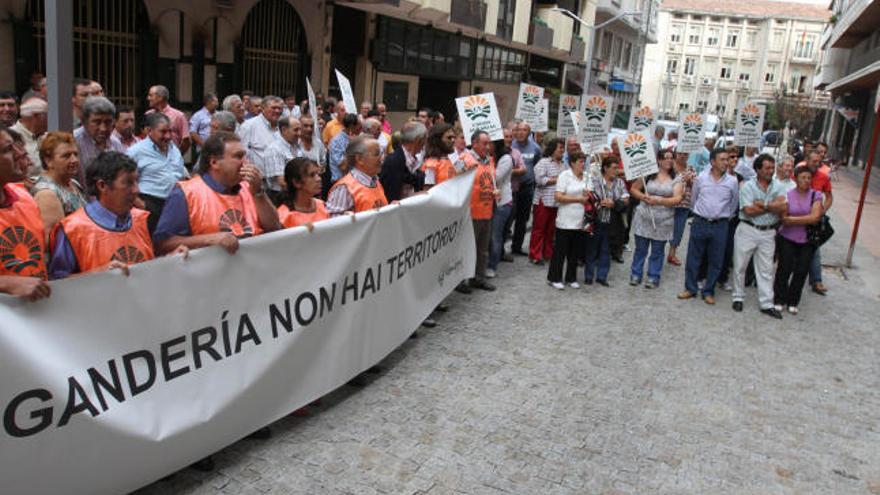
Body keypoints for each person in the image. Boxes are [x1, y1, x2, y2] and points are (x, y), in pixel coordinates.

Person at [48, 152, 178, 278]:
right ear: (102, 186)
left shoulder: (142, 219)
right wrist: (97, 275)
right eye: (127, 183)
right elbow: (58, 284)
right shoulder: (73, 229)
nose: (136, 190)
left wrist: (168, 261)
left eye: (136, 181)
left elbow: (149, 267)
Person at [153, 132, 282, 255]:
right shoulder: (186, 193)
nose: (246, 163)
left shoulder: (251, 188)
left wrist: (259, 192)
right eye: (238, 156)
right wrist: (209, 240)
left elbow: (275, 229)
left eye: (245, 156)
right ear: (214, 162)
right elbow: (161, 245)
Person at [678, 148, 738, 304]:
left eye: (727, 159)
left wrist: (722, 217)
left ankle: (708, 290)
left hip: (720, 225)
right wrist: (700, 214)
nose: (726, 162)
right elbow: (694, 200)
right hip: (700, 222)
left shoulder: (732, 181)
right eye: (723, 159)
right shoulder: (701, 179)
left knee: (716, 260)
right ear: (713, 162)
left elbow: (733, 205)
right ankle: (690, 288)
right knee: (693, 257)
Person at [731, 153, 787, 319]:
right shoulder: (747, 186)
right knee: (740, 265)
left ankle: (766, 303)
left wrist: (762, 204)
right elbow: (748, 211)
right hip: (748, 229)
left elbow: (783, 207)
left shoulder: (779, 186)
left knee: (766, 269)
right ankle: (738, 297)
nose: (771, 171)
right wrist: (772, 206)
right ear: (758, 169)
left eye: (773, 167)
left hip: (768, 231)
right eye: (767, 168)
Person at [0, 126, 50, 300]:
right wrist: (6, 284)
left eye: (16, 146)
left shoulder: (25, 197)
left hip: (33, 319)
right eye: (7, 149)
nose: (20, 154)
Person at [628, 149, 684, 288]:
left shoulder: (677, 178)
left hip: (664, 221)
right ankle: (636, 273)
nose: (669, 160)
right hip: (644, 217)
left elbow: (677, 198)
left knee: (657, 251)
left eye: (671, 158)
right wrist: (643, 197)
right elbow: (633, 189)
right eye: (666, 157)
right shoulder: (647, 174)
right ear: (658, 160)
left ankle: (653, 276)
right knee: (640, 249)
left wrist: (659, 201)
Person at [774, 165, 824, 314]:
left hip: (807, 239)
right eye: (803, 177)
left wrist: (793, 220)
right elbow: (783, 217)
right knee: (784, 268)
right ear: (796, 178)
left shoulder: (816, 195)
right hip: (787, 237)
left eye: (809, 178)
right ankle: (779, 298)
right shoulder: (788, 194)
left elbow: (815, 217)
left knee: (801, 270)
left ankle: (793, 300)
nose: (806, 180)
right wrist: (803, 219)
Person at [127, 112, 188, 234]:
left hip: (174, 204)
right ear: (149, 131)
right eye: (163, 132)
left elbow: (180, 173)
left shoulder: (174, 149)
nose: (168, 136)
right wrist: (142, 205)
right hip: (150, 204)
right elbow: (125, 181)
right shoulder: (136, 151)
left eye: (170, 131)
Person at [546, 150, 589, 289]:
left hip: (580, 220)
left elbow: (590, 197)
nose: (583, 164)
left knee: (574, 252)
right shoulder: (565, 175)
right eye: (580, 162)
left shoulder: (587, 177)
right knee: (560, 251)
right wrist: (578, 199)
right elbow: (558, 196)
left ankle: (571, 277)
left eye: (584, 161)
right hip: (565, 219)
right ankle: (554, 277)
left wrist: (588, 196)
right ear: (572, 163)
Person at [32, 131, 87, 237]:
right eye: (66, 156)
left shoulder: (73, 183)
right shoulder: (47, 194)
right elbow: (52, 241)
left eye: (75, 154)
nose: (74, 160)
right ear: (48, 161)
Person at [586, 156, 629, 286]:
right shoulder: (595, 180)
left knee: (607, 249)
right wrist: (600, 201)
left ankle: (602, 276)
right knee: (592, 249)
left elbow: (626, 199)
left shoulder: (620, 183)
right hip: (596, 219)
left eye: (617, 168)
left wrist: (614, 203)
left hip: (613, 222)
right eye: (614, 168)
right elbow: (591, 196)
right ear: (605, 168)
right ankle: (589, 276)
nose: (617, 171)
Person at [326, 136, 388, 216]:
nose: (381, 158)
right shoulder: (344, 188)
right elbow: (333, 223)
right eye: (376, 154)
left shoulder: (375, 181)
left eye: (381, 153)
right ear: (359, 159)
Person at [466, 130, 496, 291]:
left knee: (483, 249)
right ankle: (464, 280)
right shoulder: (466, 159)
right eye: (485, 143)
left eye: (489, 143)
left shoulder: (489, 161)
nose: (488, 146)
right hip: (472, 212)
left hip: (487, 210)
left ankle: (479, 277)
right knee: (469, 248)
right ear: (475, 143)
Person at [238, 95, 284, 198]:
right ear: (263, 108)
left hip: (278, 185)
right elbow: (242, 154)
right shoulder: (249, 126)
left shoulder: (283, 127)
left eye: (280, 108)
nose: (277, 111)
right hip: (257, 183)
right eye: (273, 108)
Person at [529, 138, 565, 265]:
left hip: (556, 202)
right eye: (560, 148)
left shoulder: (563, 165)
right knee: (539, 229)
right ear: (553, 149)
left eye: (563, 148)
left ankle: (547, 253)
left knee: (550, 230)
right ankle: (535, 254)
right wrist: (558, 179)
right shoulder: (543, 162)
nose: (562, 150)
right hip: (543, 201)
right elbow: (540, 180)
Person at [74, 96, 125, 183]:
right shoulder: (74, 141)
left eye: (108, 122)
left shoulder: (115, 142)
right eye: (97, 122)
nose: (103, 128)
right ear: (84, 121)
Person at [804, 150, 832, 296]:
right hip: (798, 216)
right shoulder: (797, 173)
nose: (816, 164)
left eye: (819, 162)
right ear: (806, 160)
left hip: (814, 218)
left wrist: (822, 211)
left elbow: (829, 197)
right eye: (814, 161)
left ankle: (816, 280)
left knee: (814, 248)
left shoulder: (823, 177)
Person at [510, 121, 541, 256]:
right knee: (510, 216)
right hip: (512, 188)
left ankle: (517, 247)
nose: (521, 132)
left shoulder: (535, 148)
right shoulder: (511, 145)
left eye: (524, 130)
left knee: (523, 219)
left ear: (529, 133)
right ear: (515, 132)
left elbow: (537, 165)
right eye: (519, 130)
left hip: (527, 188)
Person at [487, 138, 514, 278]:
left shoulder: (506, 158)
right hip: (488, 202)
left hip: (502, 202)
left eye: (489, 144)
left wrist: (485, 165)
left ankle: (492, 266)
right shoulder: (490, 158)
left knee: (495, 236)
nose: (487, 146)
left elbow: (496, 178)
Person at [380, 121, 427, 201]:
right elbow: (391, 195)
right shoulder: (393, 161)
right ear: (418, 140)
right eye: (425, 139)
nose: (425, 143)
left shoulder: (416, 160)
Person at [278, 157, 328, 228]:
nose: (319, 179)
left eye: (318, 174)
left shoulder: (322, 205)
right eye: (312, 175)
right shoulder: (284, 215)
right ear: (296, 182)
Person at [263, 116, 302, 204]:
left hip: (296, 193)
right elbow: (282, 182)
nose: (299, 133)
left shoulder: (296, 146)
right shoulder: (274, 149)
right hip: (281, 197)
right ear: (284, 130)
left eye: (300, 129)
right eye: (296, 130)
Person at [146, 85, 190, 155]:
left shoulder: (178, 116)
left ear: (160, 98)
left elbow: (186, 140)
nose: (148, 98)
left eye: (151, 95)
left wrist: (177, 156)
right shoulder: (148, 114)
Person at [667, 151, 694, 266]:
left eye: (686, 154)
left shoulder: (691, 168)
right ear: (675, 154)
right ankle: (658, 251)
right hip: (668, 203)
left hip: (683, 204)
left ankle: (672, 254)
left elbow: (695, 185)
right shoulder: (669, 166)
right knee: (663, 228)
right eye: (680, 153)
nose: (683, 156)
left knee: (678, 229)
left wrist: (690, 181)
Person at [11, 97, 48, 176]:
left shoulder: (48, 137)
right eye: (46, 115)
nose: (49, 119)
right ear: (36, 116)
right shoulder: (9, 137)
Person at [421, 123, 458, 189]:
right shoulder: (431, 165)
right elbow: (428, 191)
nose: (453, 140)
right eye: (449, 137)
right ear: (437, 140)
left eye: (454, 137)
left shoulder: (450, 159)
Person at [328, 114, 362, 185]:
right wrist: (351, 146)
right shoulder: (336, 141)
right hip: (341, 183)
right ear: (352, 126)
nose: (361, 128)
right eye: (359, 126)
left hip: (355, 181)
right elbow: (343, 167)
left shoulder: (358, 139)